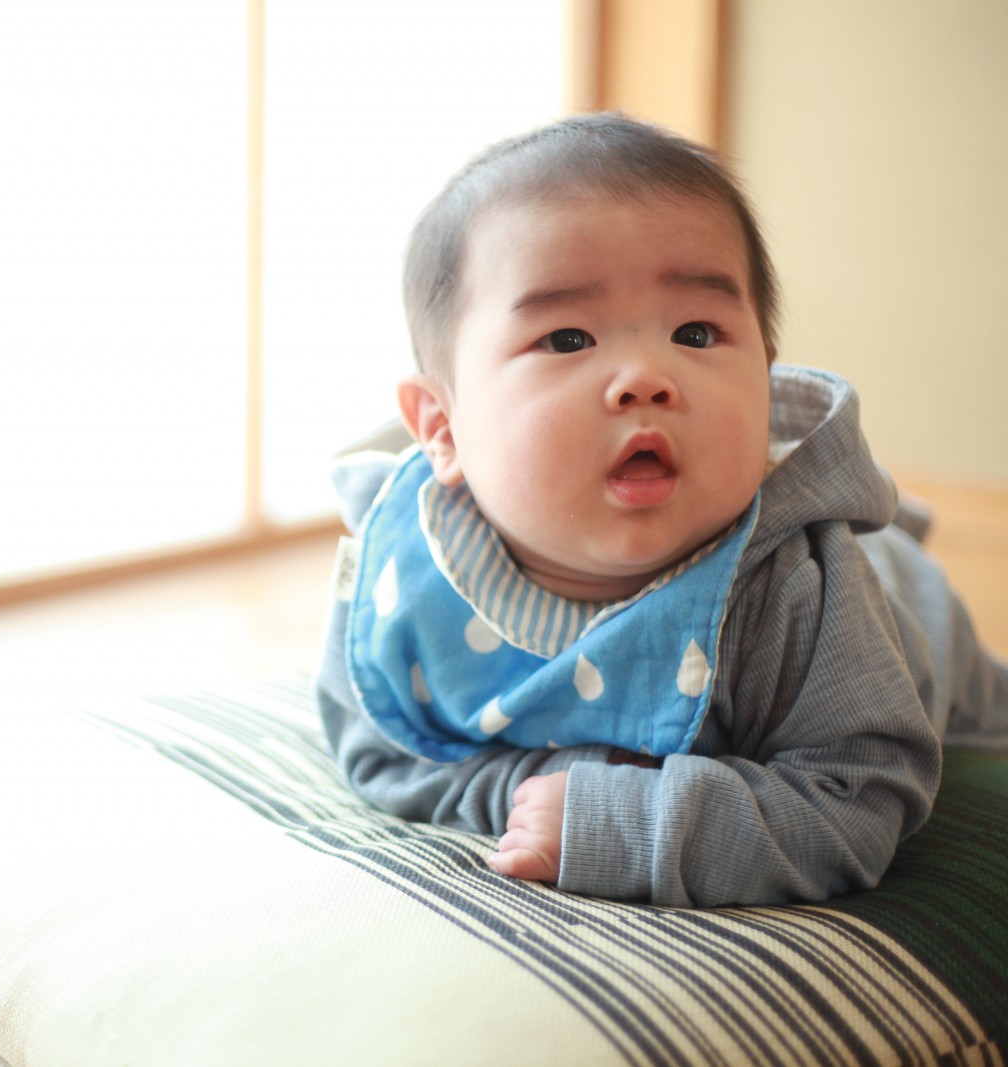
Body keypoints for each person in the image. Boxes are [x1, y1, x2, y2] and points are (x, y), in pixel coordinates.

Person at [315, 112, 1008, 908]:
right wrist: (533, 789)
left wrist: (628, 820)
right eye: (569, 338)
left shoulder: (800, 591)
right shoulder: (410, 574)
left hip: (914, 624)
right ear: (443, 428)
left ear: (765, 378)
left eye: (696, 331)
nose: (646, 376)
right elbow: (383, 746)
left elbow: (857, 797)